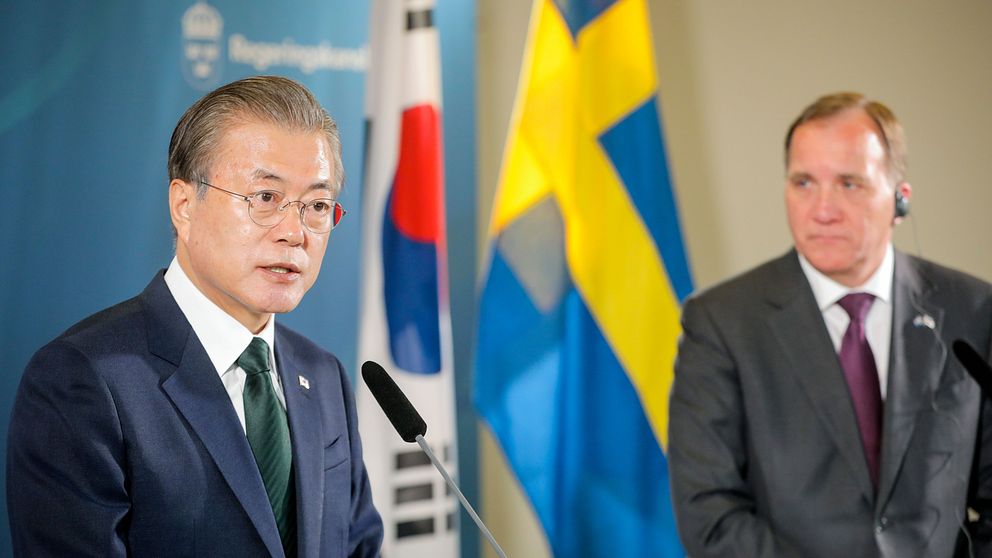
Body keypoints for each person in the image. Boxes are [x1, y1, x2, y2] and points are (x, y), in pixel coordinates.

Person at [7, 76, 382, 557]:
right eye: (265, 198)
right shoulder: (83, 380)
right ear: (184, 205)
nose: (295, 231)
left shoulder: (323, 375)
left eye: (317, 205)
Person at [668, 92, 992, 557]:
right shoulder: (722, 324)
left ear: (900, 200)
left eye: (849, 184)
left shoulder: (974, 311)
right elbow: (709, 514)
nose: (822, 210)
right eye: (803, 182)